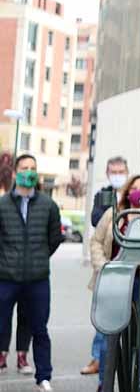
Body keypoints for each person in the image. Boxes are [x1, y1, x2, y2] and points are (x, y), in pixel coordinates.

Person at [0, 154, 61, 391]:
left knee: (40, 328)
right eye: (24, 168)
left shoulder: (48, 205)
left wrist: (39, 257)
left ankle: (43, 376)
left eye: (33, 168)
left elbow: (54, 239)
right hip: (6, 278)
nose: (29, 172)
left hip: (37, 279)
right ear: (15, 173)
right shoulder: (3, 205)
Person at [90, 174, 140, 391]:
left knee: (138, 342)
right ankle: (104, 385)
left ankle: (136, 386)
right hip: (113, 282)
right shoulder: (113, 214)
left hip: (139, 284)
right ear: (128, 190)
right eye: (136, 187)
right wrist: (103, 266)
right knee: (107, 338)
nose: (139, 192)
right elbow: (96, 241)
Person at [80, 157, 129, 376]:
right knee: (103, 319)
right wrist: (111, 208)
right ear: (108, 173)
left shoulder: (134, 194)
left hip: (132, 269)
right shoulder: (103, 195)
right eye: (114, 171)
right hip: (108, 268)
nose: (118, 174)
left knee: (133, 317)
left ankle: (132, 360)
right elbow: (95, 220)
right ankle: (97, 360)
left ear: (127, 171)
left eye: (121, 171)